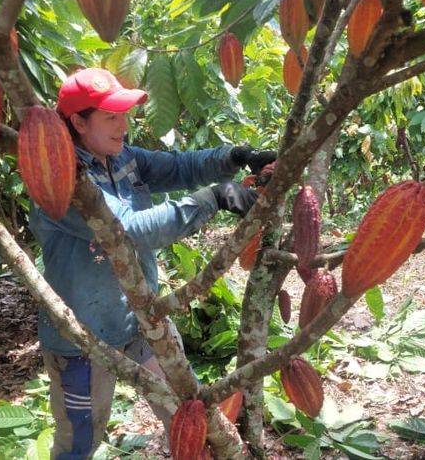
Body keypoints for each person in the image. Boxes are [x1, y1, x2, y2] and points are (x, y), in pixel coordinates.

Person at [28, 68, 276, 459]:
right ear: (78, 122)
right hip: (82, 339)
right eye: (110, 117)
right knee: (78, 444)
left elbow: (178, 167)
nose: (122, 125)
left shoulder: (120, 158)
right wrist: (213, 199)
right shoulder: (59, 183)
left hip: (141, 318)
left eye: (123, 114)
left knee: (190, 415)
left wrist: (235, 157)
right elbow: (126, 233)